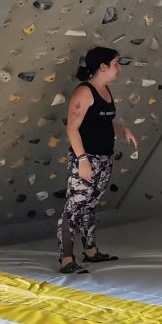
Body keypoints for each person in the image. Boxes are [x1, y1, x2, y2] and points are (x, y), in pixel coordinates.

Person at [58, 47, 138, 274]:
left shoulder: (105, 90)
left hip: (104, 158)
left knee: (90, 206)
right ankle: (66, 259)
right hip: (87, 158)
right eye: (116, 64)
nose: (119, 68)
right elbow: (72, 128)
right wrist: (82, 159)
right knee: (73, 208)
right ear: (103, 67)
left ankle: (91, 251)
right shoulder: (84, 92)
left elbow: (100, 121)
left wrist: (122, 129)